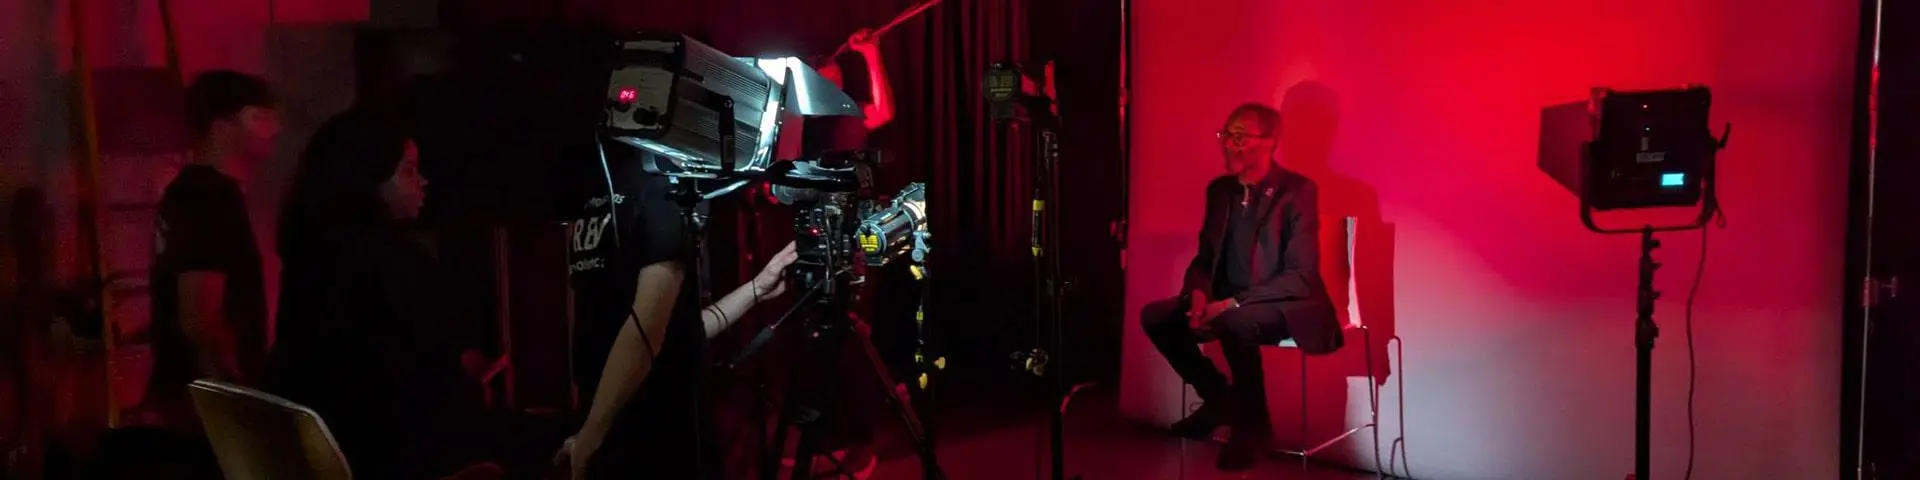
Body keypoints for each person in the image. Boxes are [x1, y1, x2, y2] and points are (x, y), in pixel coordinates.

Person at [263, 108, 523, 478]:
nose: (423, 181)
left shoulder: (307, 257)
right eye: (408, 170)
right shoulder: (391, 261)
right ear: (368, 180)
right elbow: (434, 396)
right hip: (392, 459)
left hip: (333, 455)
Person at [557, 140, 801, 479]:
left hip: (640, 434)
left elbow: (672, 332)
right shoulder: (654, 188)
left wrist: (757, 289)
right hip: (633, 439)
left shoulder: (647, 186)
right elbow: (648, 333)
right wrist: (592, 434)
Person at [1138, 102, 1342, 471]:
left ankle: (1251, 427)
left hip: (1285, 302)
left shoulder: (1297, 191)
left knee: (1236, 321)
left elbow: (1301, 274)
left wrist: (1229, 304)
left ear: (1270, 142)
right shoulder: (1221, 192)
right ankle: (1221, 401)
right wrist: (1199, 295)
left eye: (1239, 137)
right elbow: (1205, 259)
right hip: (1227, 300)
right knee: (1157, 316)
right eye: (1226, 135)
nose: (1229, 144)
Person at [144, 69, 281, 427]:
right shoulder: (208, 197)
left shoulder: (194, 193)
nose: (274, 130)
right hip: (204, 407)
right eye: (259, 118)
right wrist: (234, 390)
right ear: (222, 127)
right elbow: (200, 317)